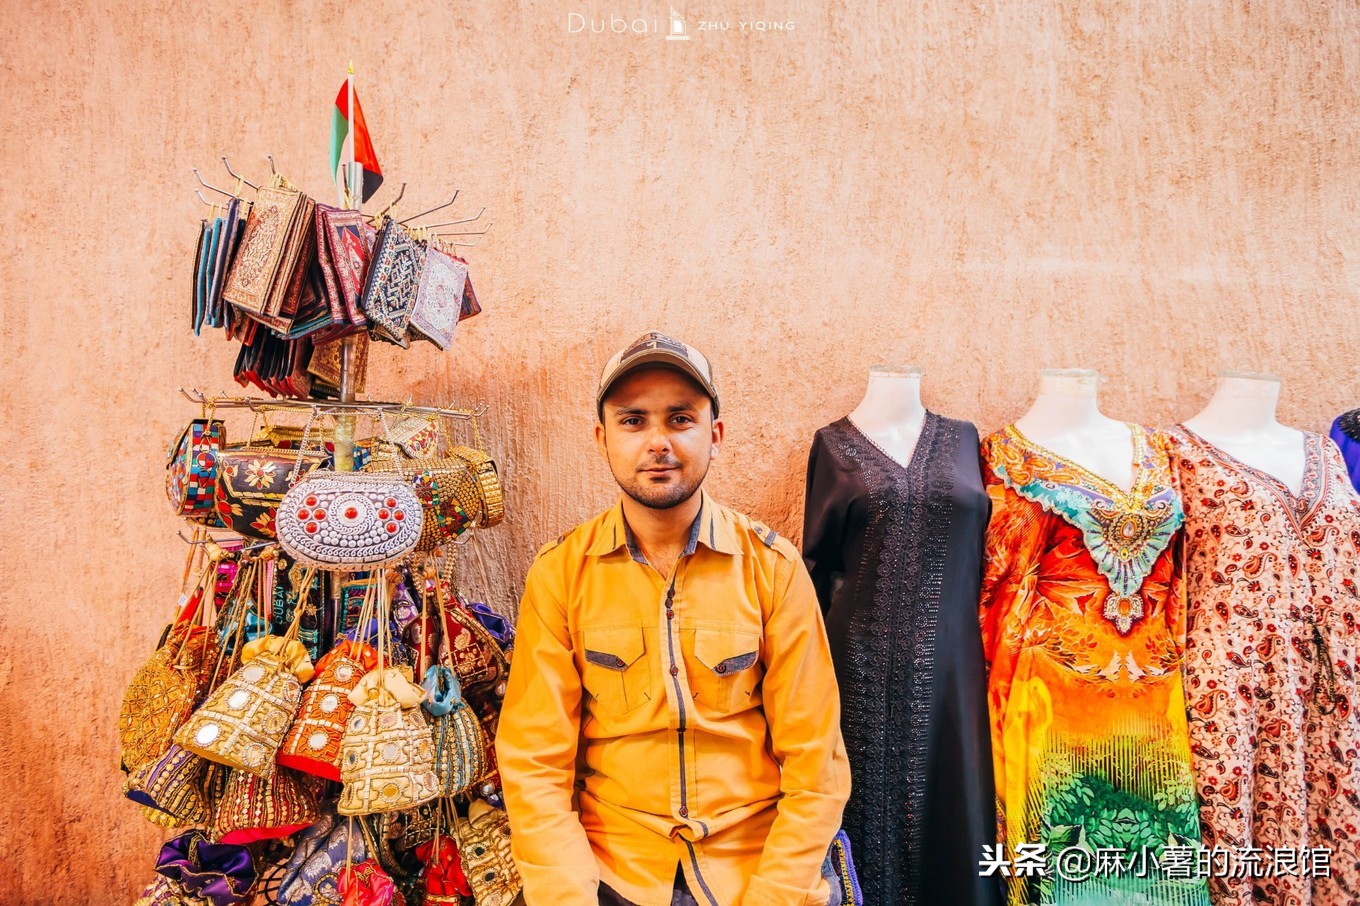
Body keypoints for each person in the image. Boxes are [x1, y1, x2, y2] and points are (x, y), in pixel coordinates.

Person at [497, 331, 851, 906]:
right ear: (602, 438)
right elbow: (535, 764)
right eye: (633, 421)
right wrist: (566, 895)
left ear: (714, 434)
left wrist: (776, 893)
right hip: (616, 869)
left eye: (680, 419)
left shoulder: (772, 568)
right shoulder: (561, 572)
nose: (658, 442)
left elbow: (817, 766)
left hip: (753, 865)